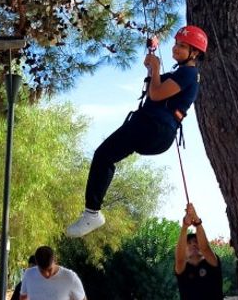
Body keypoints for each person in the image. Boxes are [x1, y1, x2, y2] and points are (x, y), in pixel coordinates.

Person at [67, 25, 208, 237]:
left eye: (181, 46)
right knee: (105, 156)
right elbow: (157, 86)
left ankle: (92, 214)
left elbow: (157, 94)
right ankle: (92, 212)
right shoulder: (182, 73)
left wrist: (156, 69)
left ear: (194, 52)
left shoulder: (189, 74)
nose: (175, 48)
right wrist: (153, 67)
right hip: (153, 130)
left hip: (154, 128)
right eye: (176, 43)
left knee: (103, 155)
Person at [174, 203, 223, 300]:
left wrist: (197, 221)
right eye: (189, 243)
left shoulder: (212, 262)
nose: (193, 244)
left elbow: (205, 248)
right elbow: (180, 259)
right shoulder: (182, 268)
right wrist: (184, 227)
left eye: (196, 241)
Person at [19, 246, 85, 300]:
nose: (47, 274)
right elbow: (23, 297)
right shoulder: (29, 274)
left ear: (55, 260)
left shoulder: (70, 277)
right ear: (37, 264)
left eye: (50, 270)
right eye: (42, 271)